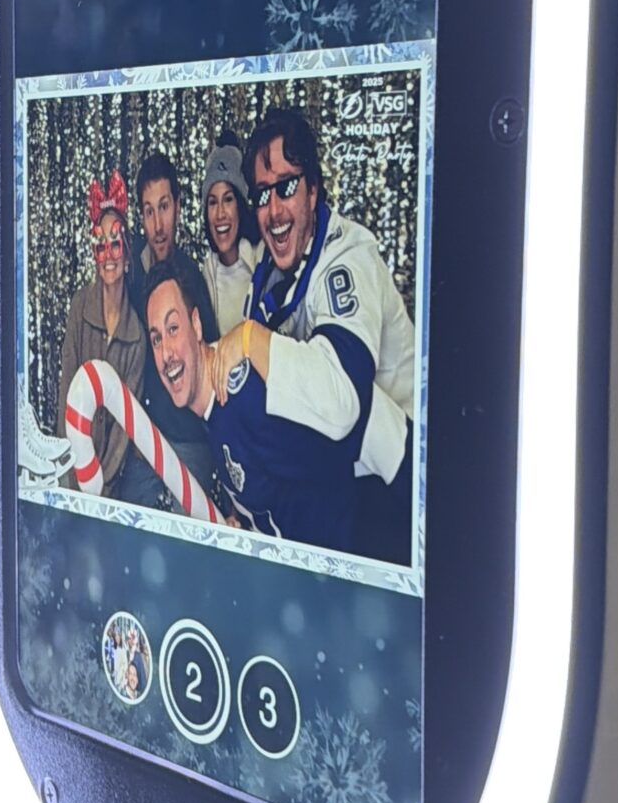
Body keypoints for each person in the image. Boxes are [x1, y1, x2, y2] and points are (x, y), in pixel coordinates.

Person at [206, 104, 415, 563]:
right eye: (263, 194)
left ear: (314, 192)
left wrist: (248, 338)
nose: (274, 210)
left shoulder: (348, 258)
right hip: (335, 473)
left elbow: (342, 401)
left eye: (287, 188)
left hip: (402, 484)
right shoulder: (268, 266)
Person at [145, 255, 369, 549]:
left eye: (173, 329)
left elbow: (329, 486)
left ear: (196, 325)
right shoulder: (212, 409)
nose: (165, 354)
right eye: (156, 339)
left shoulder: (244, 397)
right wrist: (246, 524)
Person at [55, 173, 161, 506]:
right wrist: (72, 472)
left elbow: (124, 430)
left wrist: (102, 487)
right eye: (100, 246)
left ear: (128, 255)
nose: (108, 255)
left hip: (109, 488)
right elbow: (67, 391)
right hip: (73, 472)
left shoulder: (137, 336)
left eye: (115, 244)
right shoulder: (79, 308)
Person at [129, 150, 218, 504]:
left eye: (164, 206)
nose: (158, 225)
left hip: (188, 441)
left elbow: (210, 352)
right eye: (149, 211)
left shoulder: (190, 276)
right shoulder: (129, 273)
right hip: (144, 443)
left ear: (178, 206)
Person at [200, 132, 260, 334]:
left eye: (228, 200)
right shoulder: (206, 275)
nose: (220, 214)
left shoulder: (261, 259)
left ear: (240, 205)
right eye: (212, 202)